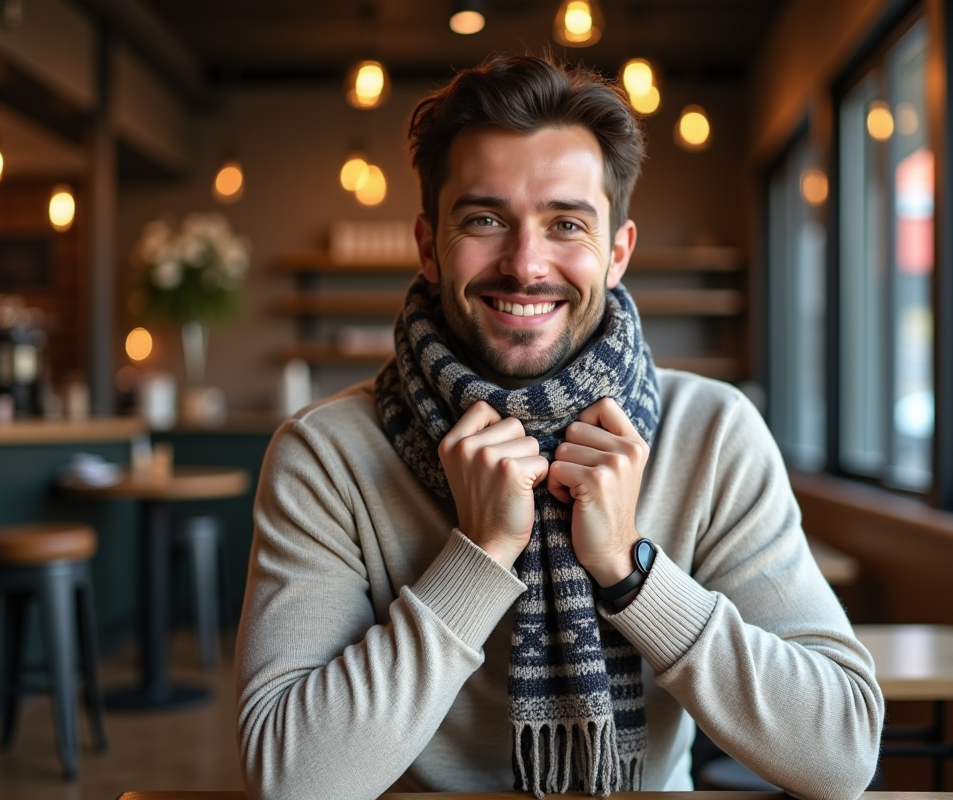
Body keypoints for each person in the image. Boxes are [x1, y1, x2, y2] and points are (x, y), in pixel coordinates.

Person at [236, 54, 883, 800]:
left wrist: (632, 572)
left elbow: (842, 755)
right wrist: (477, 561)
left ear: (617, 254)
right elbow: (290, 782)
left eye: (566, 223)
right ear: (427, 244)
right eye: (485, 219)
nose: (525, 263)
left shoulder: (715, 433)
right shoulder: (326, 454)